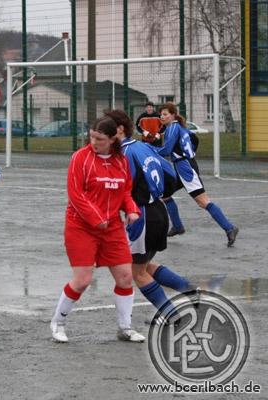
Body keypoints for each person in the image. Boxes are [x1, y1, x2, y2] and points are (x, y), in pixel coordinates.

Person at [50, 116, 145, 344]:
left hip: (111, 227)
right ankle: (58, 323)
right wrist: (95, 218)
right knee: (82, 280)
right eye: (92, 136)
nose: (93, 142)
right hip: (81, 226)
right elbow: (76, 195)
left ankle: (125, 328)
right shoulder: (80, 158)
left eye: (99, 139)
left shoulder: (121, 161)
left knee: (125, 277)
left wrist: (132, 210)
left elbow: (125, 192)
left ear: (113, 139)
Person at [106, 109, 194, 318]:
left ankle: (171, 314)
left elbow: (122, 188)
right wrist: (158, 192)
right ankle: (189, 290)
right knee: (143, 265)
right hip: (158, 211)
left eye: (105, 129)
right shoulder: (143, 146)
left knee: (137, 272)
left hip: (141, 215)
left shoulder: (124, 155)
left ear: (118, 130)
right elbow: (171, 174)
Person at [156, 102, 239, 247]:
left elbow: (167, 150)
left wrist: (147, 149)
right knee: (164, 194)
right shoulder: (176, 128)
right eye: (161, 114)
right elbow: (194, 140)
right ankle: (177, 226)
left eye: (165, 114)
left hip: (186, 168)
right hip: (181, 166)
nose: (162, 117)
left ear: (173, 115)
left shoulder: (174, 127)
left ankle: (229, 228)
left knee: (203, 201)